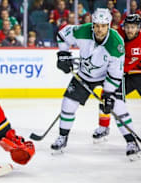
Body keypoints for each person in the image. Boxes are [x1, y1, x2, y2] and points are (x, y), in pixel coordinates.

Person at [52, 8, 139, 159]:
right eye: (97, 25)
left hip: (107, 76)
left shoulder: (116, 43)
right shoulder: (83, 31)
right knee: (68, 103)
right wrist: (63, 54)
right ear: (92, 24)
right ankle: (62, 137)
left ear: (109, 25)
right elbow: (62, 34)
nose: (100, 29)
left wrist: (108, 93)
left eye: (103, 25)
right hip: (84, 75)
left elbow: (116, 73)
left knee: (118, 107)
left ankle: (132, 142)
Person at [93, 14, 141, 149]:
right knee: (106, 98)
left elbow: (125, 65)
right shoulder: (117, 35)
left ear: (138, 28)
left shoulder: (140, 42)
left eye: (133, 27)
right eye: (128, 27)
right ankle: (103, 128)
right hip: (125, 74)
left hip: (134, 73)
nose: (130, 30)